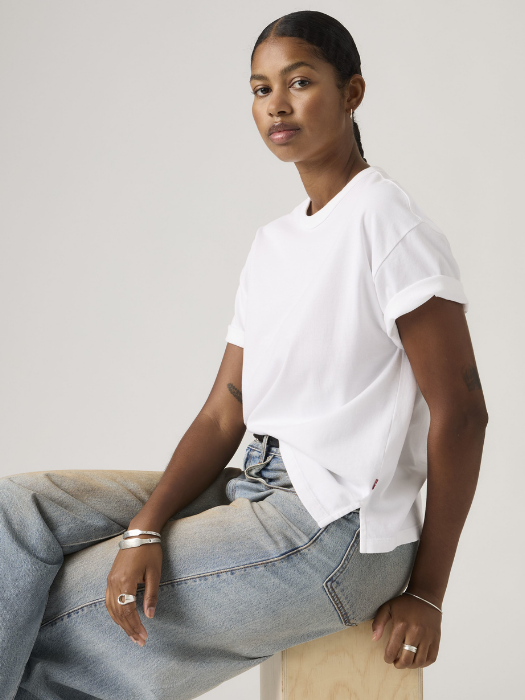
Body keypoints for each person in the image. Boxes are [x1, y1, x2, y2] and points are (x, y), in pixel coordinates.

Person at [1, 10, 488, 700]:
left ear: (352, 93)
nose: (276, 105)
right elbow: (223, 412)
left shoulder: (388, 223)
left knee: (65, 614)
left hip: (335, 530)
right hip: (256, 483)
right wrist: (144, 528)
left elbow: (462, 413)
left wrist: (428, 592)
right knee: (17, 511)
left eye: (299, 82)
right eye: (261, 89)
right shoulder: (274, 244)